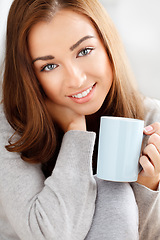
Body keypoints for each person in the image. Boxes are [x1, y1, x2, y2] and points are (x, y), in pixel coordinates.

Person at [0, 0, 160, 239]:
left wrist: (147, 184)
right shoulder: (10, 128)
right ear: (29, 76)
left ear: (107, 43)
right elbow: (48, 234)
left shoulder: (150, 120)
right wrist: (76, 133)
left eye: (84, 51)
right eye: (49, 65)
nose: (76, 79)